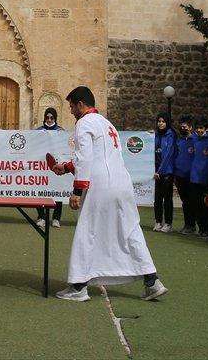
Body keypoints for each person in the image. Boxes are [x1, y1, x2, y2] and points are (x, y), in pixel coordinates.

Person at [51, 86, 168, 302]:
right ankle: (152, 281)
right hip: (121, 183)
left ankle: (78, 287)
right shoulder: (107, 124)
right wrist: (66, 167)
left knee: (87, 230)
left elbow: (86, 159)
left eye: (71, 106)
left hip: (100, 185)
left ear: (80, 104)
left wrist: (77, 190)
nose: (70, 111)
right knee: (130, 229)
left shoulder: (84, 123)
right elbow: (94, 157)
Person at [37, 106, 65, 228]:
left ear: (55, 118)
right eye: (47, 117)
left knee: (57, 191)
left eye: (51, 117)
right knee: (39, 192)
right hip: (41, 166)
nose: (49, 120)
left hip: (56, 166)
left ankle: (56, 218)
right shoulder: (38, 131)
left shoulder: (61, 131)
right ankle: (41, 217)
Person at [152, 112, 176, 232]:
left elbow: (168, 155)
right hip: (156, 172)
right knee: (157, 198)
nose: (161, 123)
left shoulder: (170, 135)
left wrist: (160, 171)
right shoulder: (155, 135)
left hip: (166, 172)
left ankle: (168, 223)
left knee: (167, 198)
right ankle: (157, 221)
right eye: (159, 121)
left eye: (163, 121)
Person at [189, 122, 208, 237]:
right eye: (197, 128)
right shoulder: (192, 138)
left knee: (206, 205)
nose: (199, 130)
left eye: (201, 128)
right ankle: (201, 228)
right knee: (196, 204)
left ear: (206, 128)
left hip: (205, 178)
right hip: (194, 177)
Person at [172, 116, 195, 234]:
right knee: (185, 201)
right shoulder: (179, 140)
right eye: (181, 127)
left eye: (185, 127)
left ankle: (196, 225)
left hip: (192, 176)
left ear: (190, 127)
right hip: (179, 175)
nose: (182, 129)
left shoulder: (195, 140)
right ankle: (188, 225)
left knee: (194, 201)